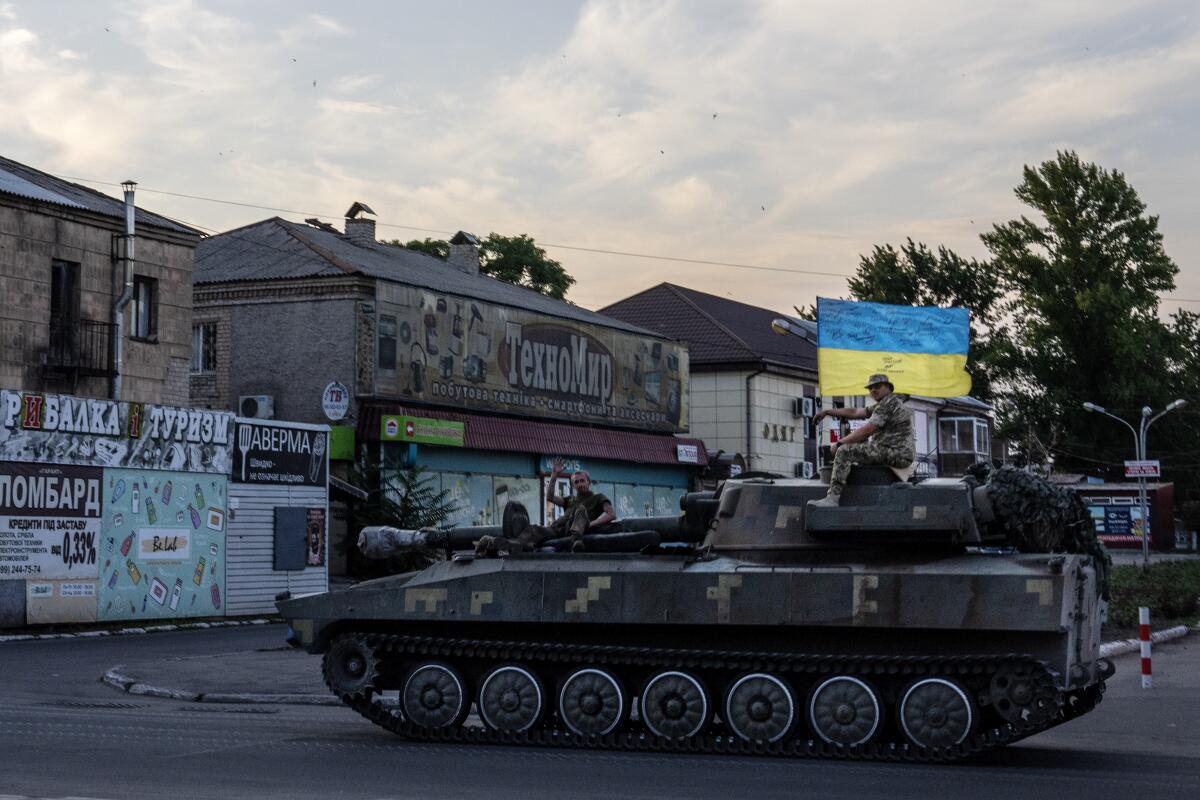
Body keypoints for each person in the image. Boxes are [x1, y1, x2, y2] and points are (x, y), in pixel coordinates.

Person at [809, 373, 914, 507]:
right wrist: (828, 412)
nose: (873, 390)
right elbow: (856, 412)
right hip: (894, 451)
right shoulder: (886, 404)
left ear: (888, 387)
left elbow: (868, 430)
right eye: (870, 388)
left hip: (896, 453)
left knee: (844, 451)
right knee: (858, 446)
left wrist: (841, 443)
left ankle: (832, 498)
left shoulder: (887, 404)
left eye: (877, 386)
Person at [474, 457, 616, 556]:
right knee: (533, 529)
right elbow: (550, 498)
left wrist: (590, 524)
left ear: (589, 482)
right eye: (576, 482)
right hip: (558, 529)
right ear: (573, 485)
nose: (580, 484)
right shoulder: (570, 499)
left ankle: (577, 541)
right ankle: (514, 545)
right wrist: (554, 475)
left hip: (577, 530)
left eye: (582, 481)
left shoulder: (598, 497)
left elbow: (611, 514)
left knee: (580, 510)